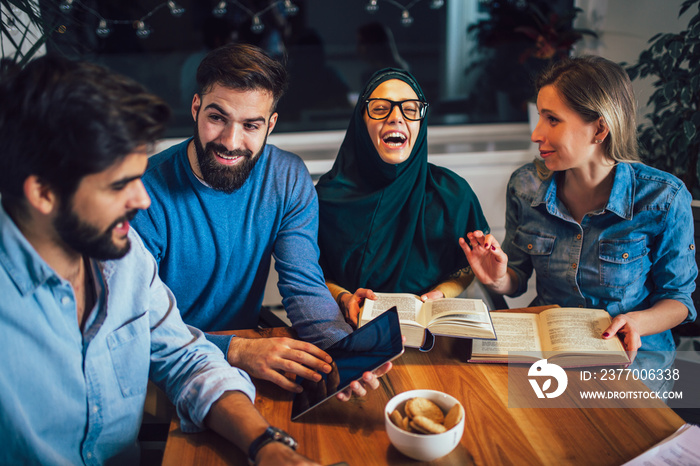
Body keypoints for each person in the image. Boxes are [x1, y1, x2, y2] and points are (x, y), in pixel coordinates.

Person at [0, 55, 316, 465]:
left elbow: (186, 358)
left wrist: (265, 445)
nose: (143, 199)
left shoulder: (123, 257)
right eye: (119, 186)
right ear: (43, 193)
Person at [131, 43, 388, 397]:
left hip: (250, 348)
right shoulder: (142, 191)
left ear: (271, 124)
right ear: (195, 108)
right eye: (217, 117)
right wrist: (234, 350)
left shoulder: (287, 177)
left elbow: (304, 285)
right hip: (162, 362)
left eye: (251, 125)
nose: (231, 142)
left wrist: (341, 350)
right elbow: (134, 323)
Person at [461, 56, 697, 391]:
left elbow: (679, 300)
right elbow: (516, 277)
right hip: (546, 356)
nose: (535, 133)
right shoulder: (525, 185)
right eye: (540, 116)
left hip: (631, 364)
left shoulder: (664, 198)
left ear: (600, 128)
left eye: (552, 120)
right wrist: (498, 278)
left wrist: (637, 322)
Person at [315, 68, 490, 328]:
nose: (396, 118)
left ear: (422, 121)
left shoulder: (452, 194)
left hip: (430, 339)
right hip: (344, 332)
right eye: (380, 108)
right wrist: (343, 297)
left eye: (410, 109)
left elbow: (463, 269)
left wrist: (439, 295)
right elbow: (309, 272)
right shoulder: (325, 197)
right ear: (361, 121)